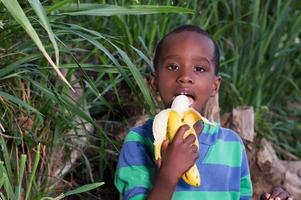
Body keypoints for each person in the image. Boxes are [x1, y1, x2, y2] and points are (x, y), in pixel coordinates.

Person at [114, 24, 293, 200]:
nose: (185, 77)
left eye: (199, 69)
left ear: (214, 86)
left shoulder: (232, 145)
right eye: (172, 67)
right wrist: (168, 175)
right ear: (154, 82)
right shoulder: (138, 142)